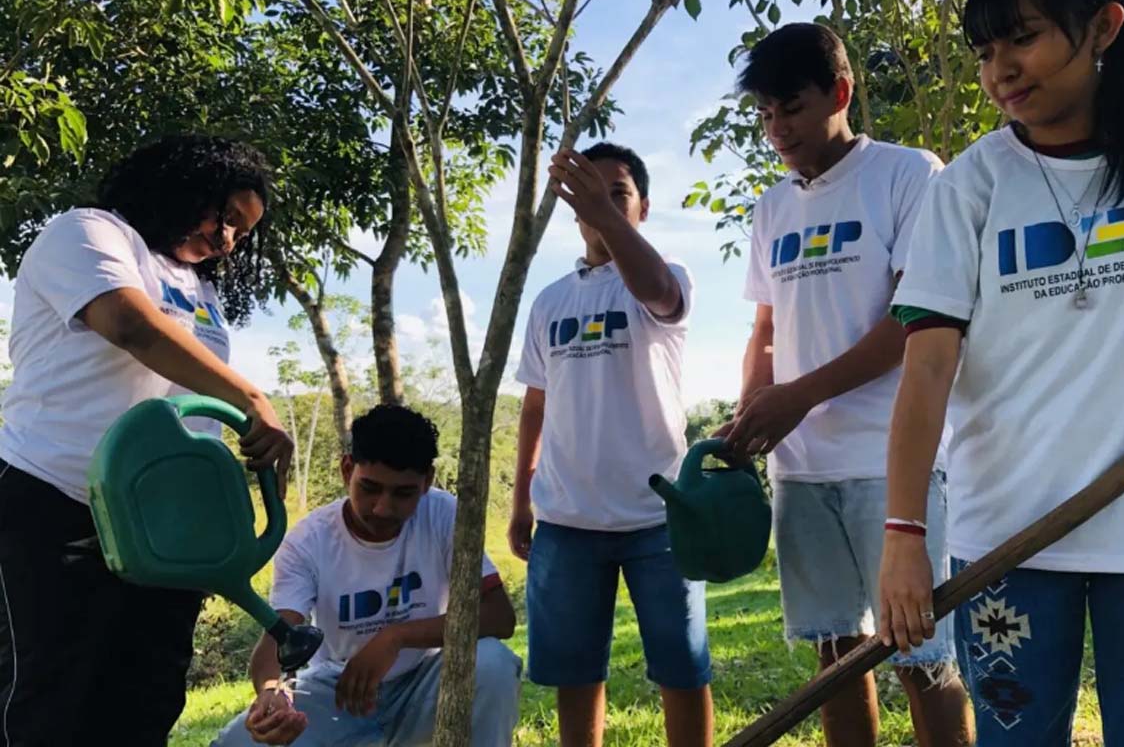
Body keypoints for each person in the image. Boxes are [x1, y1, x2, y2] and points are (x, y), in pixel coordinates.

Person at [880, 0, 1124, 744]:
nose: (1000, 72)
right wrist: (904, 535)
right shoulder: (970, 184)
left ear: (1103, 27)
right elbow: (926, 369)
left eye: (1020, 39)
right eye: (985, 53)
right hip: (1008, 539)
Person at [718, 23, 974, 746]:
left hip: (893, 461)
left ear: (841, 90)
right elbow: (766, 333)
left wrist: (799, 397)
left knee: (922, 655)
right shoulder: (772, 208)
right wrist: (750, 415)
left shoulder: (907, 173)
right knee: (834, 657)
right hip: (802, 471)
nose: (778, 129)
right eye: (765, 114)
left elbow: (914, 320)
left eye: (791, 107)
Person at [0, 134, 292, 746]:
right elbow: (130, 325)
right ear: (185, 187)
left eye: (242, 230)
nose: (228, 239)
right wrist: (252, 399)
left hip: (162, 530)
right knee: (47, 697)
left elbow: (189, 409)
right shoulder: (90, 234)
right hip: (54, 501)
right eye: (226, 216)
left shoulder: (202, 291)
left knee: (146, 696)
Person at [508, 142, 712, 746]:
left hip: (660, 517)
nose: (601, 204)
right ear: (572, 208)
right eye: (589, 194)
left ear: (642, 207)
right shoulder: (551, 301)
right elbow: (535, 407)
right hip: (568, 519)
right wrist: (522, 499)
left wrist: (608, 217)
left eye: (617, 194)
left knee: (682, 668)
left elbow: (656, 291)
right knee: (575, 675)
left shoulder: (667, 277)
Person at [213, 404, 522, 747]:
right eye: (370, 488)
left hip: (425, 682)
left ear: (427, 482)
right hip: (340, 692)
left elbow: (500, 616)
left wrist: (396, 637)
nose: (382, 508)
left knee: (493, 663)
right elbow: (278, 634)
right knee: (241, 741)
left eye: (403, 493)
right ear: (347, 470)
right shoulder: (307, 541)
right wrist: (273, 694)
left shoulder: (444, 514)